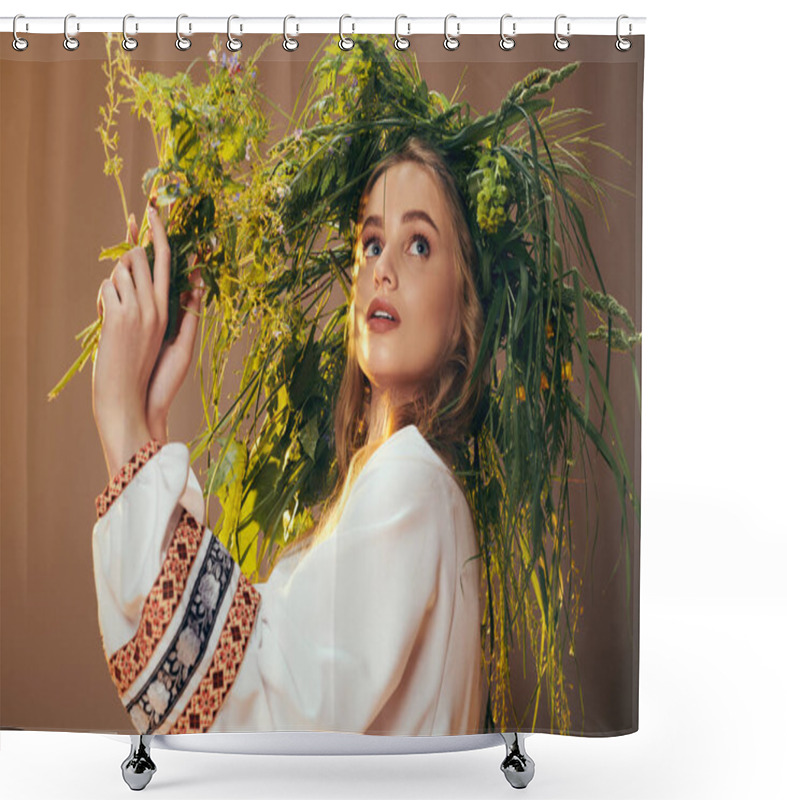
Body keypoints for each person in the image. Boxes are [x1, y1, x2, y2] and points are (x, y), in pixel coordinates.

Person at [91, 135, 489, 736]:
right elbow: (239, 660)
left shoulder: (413, 482)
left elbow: (267, 718)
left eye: (419, 244)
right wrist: (145, 432)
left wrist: (121, 420)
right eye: (372, 242)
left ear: (463, 313)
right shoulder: (392, 489)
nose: (383, 268)